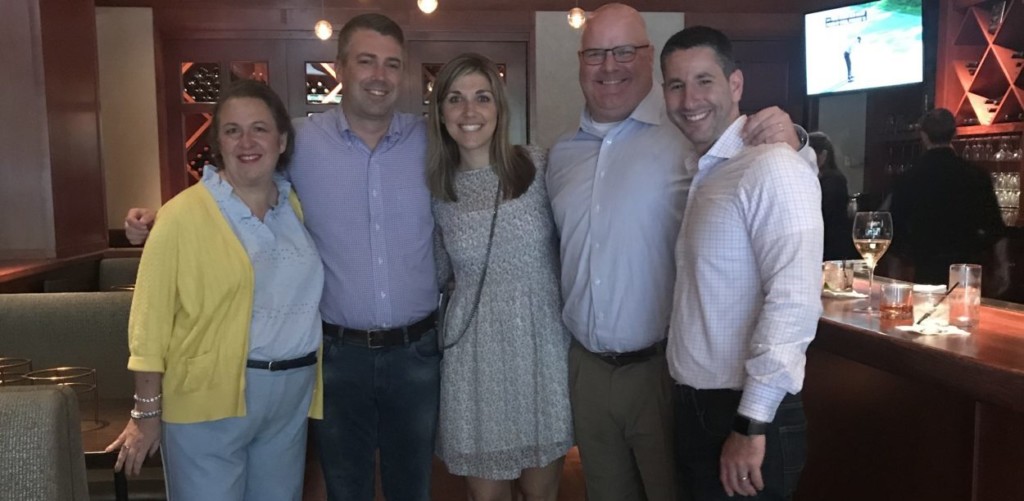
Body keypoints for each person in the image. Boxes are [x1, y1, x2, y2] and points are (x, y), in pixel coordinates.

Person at [125, 14, 441, 501]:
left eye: (392, 64)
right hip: (336, 357)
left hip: (415, 353)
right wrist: (160, 219)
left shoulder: (430, 142)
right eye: (366, 61)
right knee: (345, 489)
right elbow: (231, 188)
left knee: (413, 488)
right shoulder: (304, 139)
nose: (379, 75)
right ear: (341, 68)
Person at [545, 4, 809, 500]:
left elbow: (771, 186)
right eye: (596, 53)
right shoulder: (559, 155)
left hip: (661, 373)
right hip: (585, 369)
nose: (610, 66)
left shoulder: (689, 138)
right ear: (579, 61)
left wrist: (799, 144)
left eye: (625, 51)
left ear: (647, 59)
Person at [106, 79, 325, 501]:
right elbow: (148, 325)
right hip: (207, 399)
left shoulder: (295, 206)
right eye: (232, 130)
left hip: (290, 399)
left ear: (281, 140)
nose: (247, 141)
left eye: (260, 128)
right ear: (218, 143)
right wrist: (146, 413)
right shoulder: (179, 217)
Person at [660, 25, 823, 500]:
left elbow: (793, 302)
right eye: (675, 85)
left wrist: (750, 425)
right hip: (699, 408)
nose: (689, 99)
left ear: (735, 85)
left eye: (703, 81)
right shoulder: (709, 171)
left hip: (748, 415)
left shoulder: (772, 165)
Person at [427, 53, 572, 501]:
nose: (469, 112)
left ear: (499, 108)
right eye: (455, 99)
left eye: (482, 98)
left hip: (540, 350)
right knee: (487, 496)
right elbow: (435, 273)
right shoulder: (438, 191)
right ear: (442, 114)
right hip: (475, 359)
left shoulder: (540, 166)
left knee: (541, 493)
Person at [889, 108, 1008, 290]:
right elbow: (996, 229)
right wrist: (1002, 268)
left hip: (924, 269)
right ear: (954, 133)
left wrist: (895, 277)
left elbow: (896, 233)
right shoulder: (977, 175)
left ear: (923, 135)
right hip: (967, 269)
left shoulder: (908, 178)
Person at [809, 131, 857, 260]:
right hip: (827, 243)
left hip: (831, 246)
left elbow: (824, 213)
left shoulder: (833, 180)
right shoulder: (826, 179)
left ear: (823, 155)